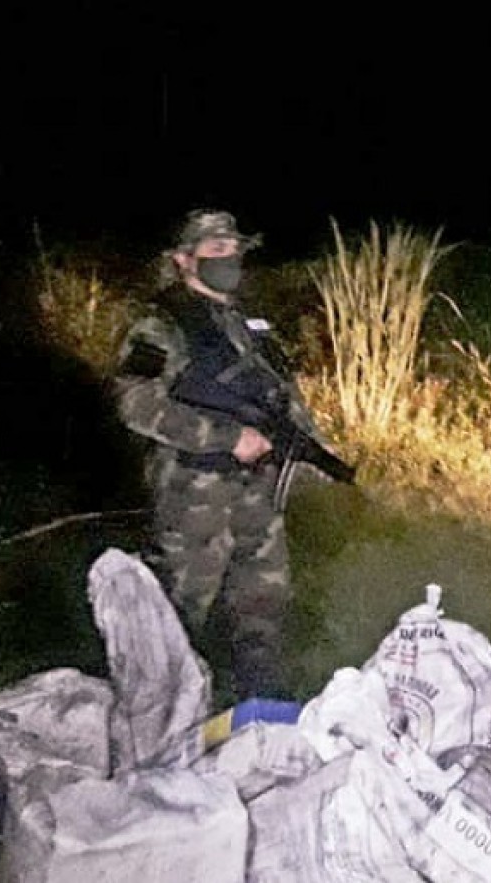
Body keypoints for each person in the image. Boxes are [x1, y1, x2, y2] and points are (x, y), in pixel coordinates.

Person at [113, 208, 319, 699]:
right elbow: (135, 402)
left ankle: (261, 711)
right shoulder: (160, 324)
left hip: (257, 493)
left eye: (234, 248)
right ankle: (159, 717)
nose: (229, 257)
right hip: (193, 494)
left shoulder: (251, 327)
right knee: (178, 613)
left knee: (263, 607)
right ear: (184, 260)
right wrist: (227, 439)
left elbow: (284, 397)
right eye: (215, 249)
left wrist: (311, 448)